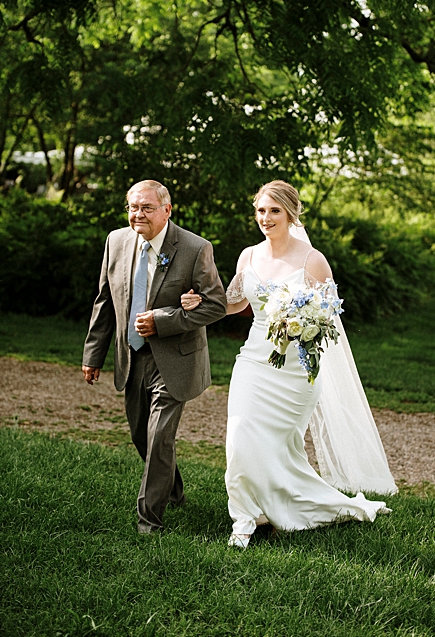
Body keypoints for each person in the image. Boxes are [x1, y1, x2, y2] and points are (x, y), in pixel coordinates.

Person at [182, 180, 393, 548]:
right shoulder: (248, 256)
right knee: (240, 439)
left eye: (274, 210)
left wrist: (302, 322)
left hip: (296, 370)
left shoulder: (312, 260)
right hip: (254, 361)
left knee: (281, 447)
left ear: (291, 213)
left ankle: (284, 508)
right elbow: (234, 302)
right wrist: (198, 304)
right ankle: (245, 518)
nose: (266, 218)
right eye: (261, 210)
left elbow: (329, 317)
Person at [82, 180, 227, 533]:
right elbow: (105, 301)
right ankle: (174, 491)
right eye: (132, 207)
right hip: (131, 356)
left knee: (160, 434)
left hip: (175, 358)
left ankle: (149, 520)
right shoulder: (116, 241)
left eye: (146, 208)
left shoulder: (195, 248)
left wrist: (163, 321)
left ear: (167, 209)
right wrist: (93, 354)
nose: (138, 214)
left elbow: (216, 305)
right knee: (141, 436)